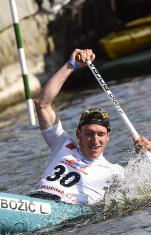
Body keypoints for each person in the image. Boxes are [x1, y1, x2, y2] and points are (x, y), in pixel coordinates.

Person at [30, 48, 124, 206]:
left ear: (108, 137)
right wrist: (71, 65)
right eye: (89, 133)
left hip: (65, 209)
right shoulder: (62, 144)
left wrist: (147, 154)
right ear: (78, 133)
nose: (95, 140)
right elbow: (42, 104)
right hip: (34, 201)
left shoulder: (114, 171)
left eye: (100, 134)